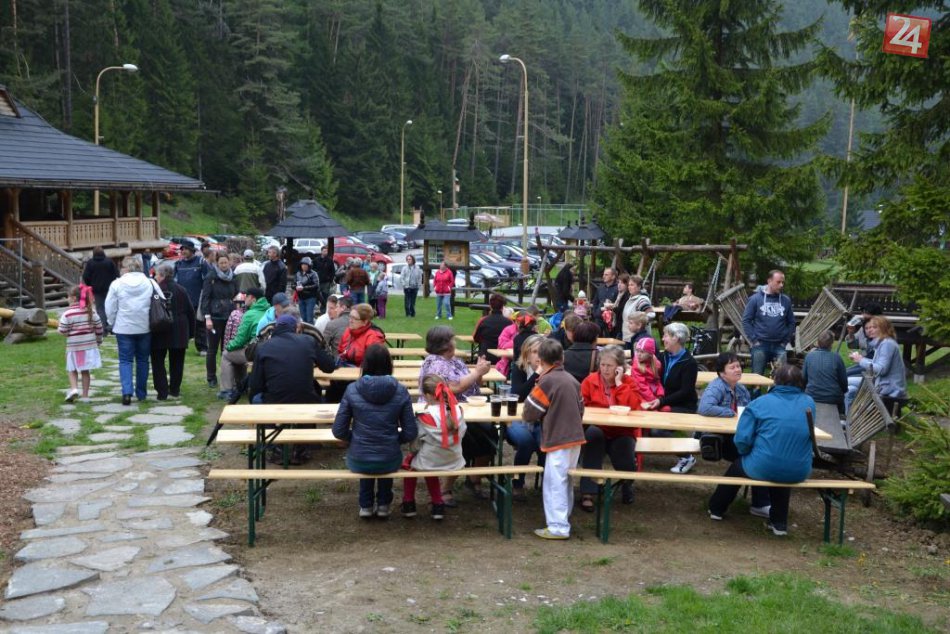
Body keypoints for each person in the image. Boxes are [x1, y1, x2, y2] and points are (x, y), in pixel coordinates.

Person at [708, 363, 815, 536]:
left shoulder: (760, 403)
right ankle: (779, 523)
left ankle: (716, 509)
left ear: (775, 381)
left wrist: (746, 452)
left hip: (764, 464)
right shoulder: (809, 403)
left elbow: (742, 440)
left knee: (739, 466)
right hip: (799, 468)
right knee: (782, 464)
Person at [332, 344, 417, 518]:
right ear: (389, 364)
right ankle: (383, 504)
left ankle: (366, 505)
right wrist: (393, 439)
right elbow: (410, 432)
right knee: (383, 461)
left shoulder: (352, 389)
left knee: (367, 460)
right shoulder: (401, 391)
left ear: (365, 364)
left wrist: (355, 438)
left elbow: (338, 430)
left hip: (359, 457)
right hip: (389, 457)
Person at [417, 326, 492, 504]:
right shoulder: (436, 363)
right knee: (464, 441)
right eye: (452, 339)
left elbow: (473, 382)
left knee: (491, 435)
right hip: (443, 414)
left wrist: (479, 372)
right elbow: (453, 387)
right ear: (445, 344)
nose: (455, 342)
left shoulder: (455, 361)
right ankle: (446, 488)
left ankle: (474, 479)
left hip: (468, 410)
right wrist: (477, 372)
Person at [523, 339, 586, 539]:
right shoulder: (572, 380)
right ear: (562, 358)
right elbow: (581, 408)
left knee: (554, 482)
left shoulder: (547, 381)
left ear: (541, 361)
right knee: (565, 479)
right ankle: (563, 517)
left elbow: (530, 412)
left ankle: (558, 527)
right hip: (575, 436)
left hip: (558, 438)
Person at [578, 345, 642, 511]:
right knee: (593, 436)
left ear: (619, 367)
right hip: (598, 428)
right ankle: (588, 492)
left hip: (621, 430)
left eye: (609, 365)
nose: (605, 369)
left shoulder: (628, 382)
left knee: (624, 450)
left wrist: (620, 385)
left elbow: (635, 407)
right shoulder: (590, 381)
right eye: (603, 365)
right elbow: (581, 406)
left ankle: (627, 482)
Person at [401, 375, 466, 521]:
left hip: (431, 460)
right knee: (429, 460)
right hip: (454, 460)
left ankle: (408, 503)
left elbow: (415, 443)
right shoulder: (459, 410)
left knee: (411, 464)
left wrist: (413, 452)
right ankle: (437, 504)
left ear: (429, 396)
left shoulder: (424, 416)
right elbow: (463, 432)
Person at [643, 322, 699, 473]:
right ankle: (635, 454)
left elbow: (685, 392)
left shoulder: (689, 363)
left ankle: (687, 457)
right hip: (663, 402)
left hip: (683, 406)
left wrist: (661, 401)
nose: (663, 339)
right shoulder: (663, 356)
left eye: (666, 335)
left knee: (657, 430)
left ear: (676, 338)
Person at [248, 313, 337, 405]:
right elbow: (329, 367)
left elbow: (255, 384)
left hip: (273, 401)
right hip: (306, 400)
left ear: (275, 328)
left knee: (256, 398)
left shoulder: (263, 347)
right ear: (296, 328)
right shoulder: (309, 341)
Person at [105, 256, 153, 405]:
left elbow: (110, 305)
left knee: (125, 360)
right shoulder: (149, 282)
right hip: (144, 326)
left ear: (126, 268)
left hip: (124, 327)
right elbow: (160, 299)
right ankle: (141, 393)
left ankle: (126, 392)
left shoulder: (117, 283)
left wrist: (112, 321)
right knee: (143, 360)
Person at [506, 334, 546, 499]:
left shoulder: (551, 372)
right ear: (526, 355)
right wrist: (536, 374)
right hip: (517, 418)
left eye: (542, 352)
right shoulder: (519, 369)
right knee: (526, 441)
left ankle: (547, 484)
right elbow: (518, 395)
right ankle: (518, 483)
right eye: (535, 352)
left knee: (546, 443)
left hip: (541, 420)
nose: (538, 356)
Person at [150, 263, 195, 401]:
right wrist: (191, 333)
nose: (155, 277)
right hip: (179, 330)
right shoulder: (181, 289)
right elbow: (190, 311)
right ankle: (175, 389)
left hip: (159, 328)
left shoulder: (155, 290)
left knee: (158, 361)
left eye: (157, 274)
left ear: (162, 275)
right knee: (177, 362)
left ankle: (162, 391)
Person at [845, 316, 907, 413]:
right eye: (867, 328)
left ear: (883, 328)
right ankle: (849, 416)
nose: (870, 330)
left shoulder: (887, 344)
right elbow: (876, 365)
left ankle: (851, 416)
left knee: (845, 381)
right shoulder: (881, 343)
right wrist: (860, 358)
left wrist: (861, 360)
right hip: (880, 384)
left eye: (874, 327)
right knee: (849, 388)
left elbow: (882, 370)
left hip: (889, 390)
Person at [742, 270, 795, 376]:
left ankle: (778, 387)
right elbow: (746, 320)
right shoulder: (755, 299)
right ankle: (756, 388)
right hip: (760, 345)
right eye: (778, 282)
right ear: (769, 281)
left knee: (782, 377)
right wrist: (754, 340)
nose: (781, 285)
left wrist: (785, 341)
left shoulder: (786, 300)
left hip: (779, 345)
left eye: (783, 282)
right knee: (756, 377)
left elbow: (791, 323)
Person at [59, 285, 104, 402]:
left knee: (72, 369)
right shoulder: (91, 312)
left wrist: (67, 333)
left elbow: (62, 330)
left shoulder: (67, 314)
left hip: (73, 347)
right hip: (88, 346)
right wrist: (98, 341)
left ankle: (74, 389)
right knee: (85, 370)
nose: (67, 299)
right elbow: (99, 328)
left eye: (68, 296)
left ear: (74, 298)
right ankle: (85, 396)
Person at [200, 254, 238, 391]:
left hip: (230, 315)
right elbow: (205, 298)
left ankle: (226, 377)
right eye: (221, 263)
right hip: (215, 316)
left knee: (227, 349)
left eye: (225, 262)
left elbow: (236, 294)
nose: (224, 265)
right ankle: (211, 377)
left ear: (229, 262)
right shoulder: (211, 277)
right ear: (217, 263)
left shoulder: (233, 277)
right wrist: (207, 317)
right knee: (212, 349)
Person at [174, 243, 210, 355]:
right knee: (183, 324)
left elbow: (208, 279)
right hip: (182, 300)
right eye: (182, 249)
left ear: (192, 250)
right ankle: (182, 345)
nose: (183, 251)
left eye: (186, 249)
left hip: (197, 299)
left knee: (199, 324)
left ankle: (202, 348)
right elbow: (174, 280)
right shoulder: (178, 264)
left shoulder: (201, 262)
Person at [802, 330, 849, 410]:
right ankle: (842, 416)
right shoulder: (837, 358)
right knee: (842, 407)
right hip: (833, 398)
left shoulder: (809, 356)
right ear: (832, 343)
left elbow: (803, 379)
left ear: (818, 342)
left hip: (812, 396)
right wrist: (843, 391)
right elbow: (843, 382)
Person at [81, 246, 118, 336]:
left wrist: (90, 285)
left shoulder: (91, 263)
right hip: (110, 289)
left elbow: (86, 276)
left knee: (100, 309)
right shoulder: (109, 262)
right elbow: (116, 274)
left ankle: (103, 329)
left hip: (97, 290)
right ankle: (112, 327)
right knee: (112, 307)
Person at [629, 337, 669, 411]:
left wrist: (660, 396)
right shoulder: (637, 366)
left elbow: (657, 381)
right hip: (639, 394)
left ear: (650, 354)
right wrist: (654, 400)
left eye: (642, 352)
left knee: (667, 409)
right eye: (637, 351)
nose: (638, 354)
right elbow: (641, 386)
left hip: (652, 393)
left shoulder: (656, 364)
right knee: (652, 411)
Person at [473, 293, 512, 363]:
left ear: (490, 306)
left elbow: (475, 338)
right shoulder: (509, 322)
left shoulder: (483, 320)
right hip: (503, 358)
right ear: (503, 306)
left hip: (485, 356)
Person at [615, 275, 653, 341]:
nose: (629, 287)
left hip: (638, 339)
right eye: (629, 285)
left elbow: (651, 314)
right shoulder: (631, 298)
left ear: (639, 287)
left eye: (632, 285)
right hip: (628, 337)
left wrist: (639, 324)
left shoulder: (642, 300)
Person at [295, 257, 320, 325]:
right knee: (303, 317)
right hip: (301, 297)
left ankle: (310, 330)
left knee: (309, 317)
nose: (304, 266)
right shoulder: (298, 273)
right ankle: (304, 330)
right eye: (302, 264)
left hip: (310, 297)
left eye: (306, 265)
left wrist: (304, 288)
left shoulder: (314, 274)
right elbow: (293, 284)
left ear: (309, 265)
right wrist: (295, 287)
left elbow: (316, 285)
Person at [313, 245, 337, 310]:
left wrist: (330, 279)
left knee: (325, 295)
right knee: (316, 295)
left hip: (326, 281)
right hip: (317, 281)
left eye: (326, 251)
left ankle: (323, 309)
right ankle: (316, 308)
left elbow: (333, 271)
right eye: (324, 251)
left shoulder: (330, 260)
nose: (325, 252)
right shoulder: (316, 260)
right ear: (321, 251)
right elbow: (312, 269)